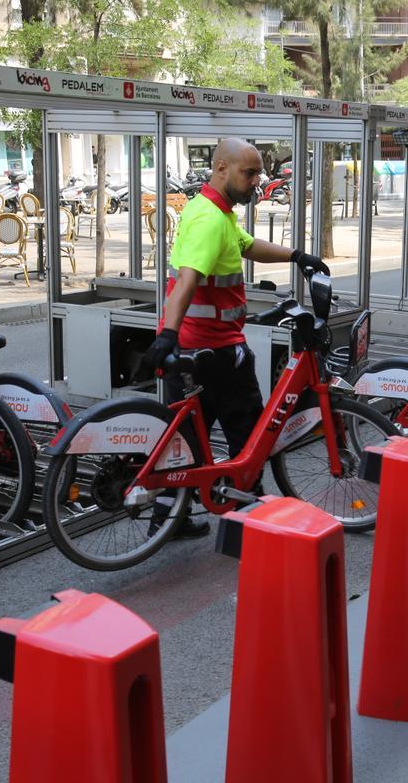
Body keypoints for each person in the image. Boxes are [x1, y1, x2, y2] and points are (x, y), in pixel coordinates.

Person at [139, 138, 330, 539]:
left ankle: (168, 516)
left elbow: (245, 246)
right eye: (250, 173)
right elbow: (187, 281)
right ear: (222, 168)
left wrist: (297, 256)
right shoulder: (210, 220)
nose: (257, 181)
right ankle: (246, 514)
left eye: (259, 172)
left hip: (202, 346)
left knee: (189, 438)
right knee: (247, 433)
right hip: (212, 351)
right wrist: (167, 335)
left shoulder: (214, 210)